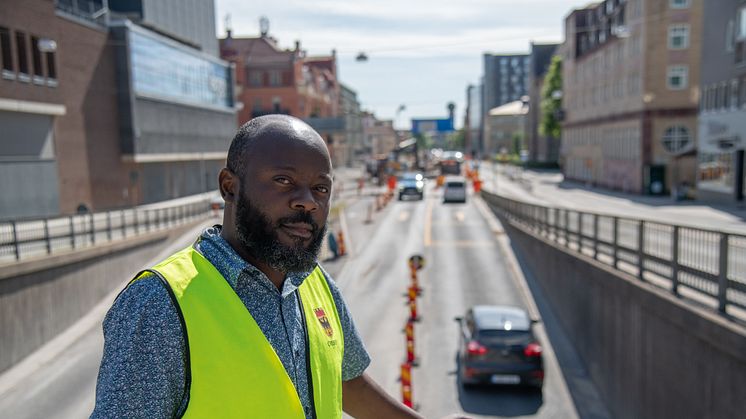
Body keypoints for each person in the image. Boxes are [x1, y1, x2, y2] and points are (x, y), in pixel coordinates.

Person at [90, 115, 426, 419]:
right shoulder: (159, 303)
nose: (308, 201)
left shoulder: (315, 283)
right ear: (229, 187)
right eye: (284, 180)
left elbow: (345, 381)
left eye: (320, 188)